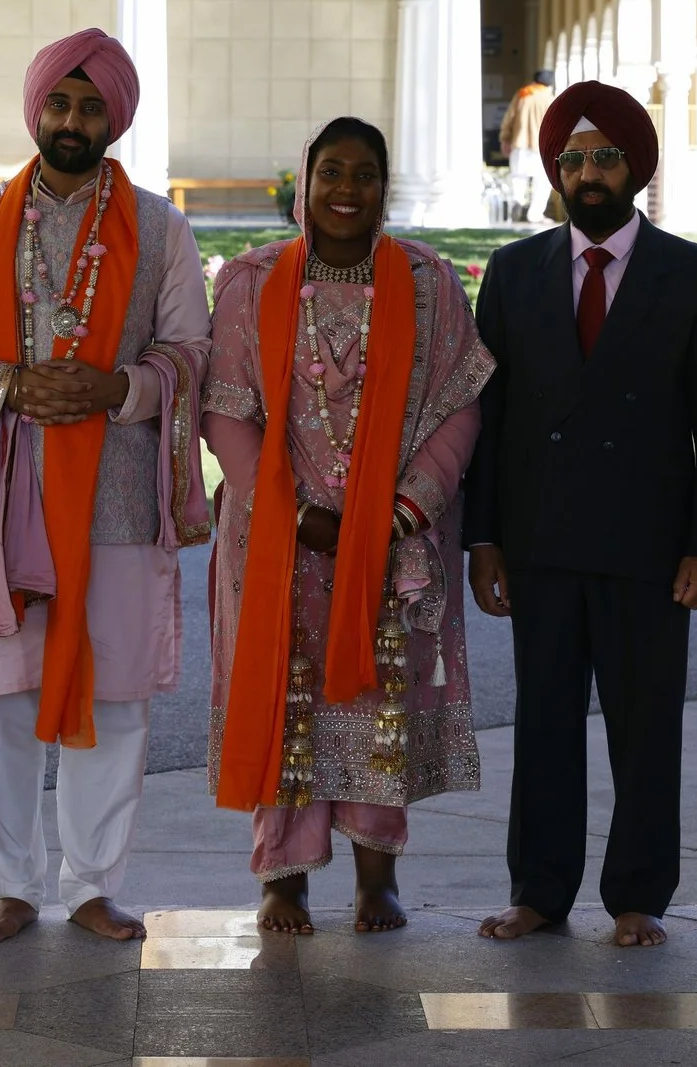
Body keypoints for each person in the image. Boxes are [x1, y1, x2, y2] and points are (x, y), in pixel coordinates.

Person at [0, 28, 212, 945]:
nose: (72, 121)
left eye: (91, 107)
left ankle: (93, 883)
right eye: (60, 102)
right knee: (2, 687)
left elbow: (190, 352)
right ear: (35, 108)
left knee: (115, 686)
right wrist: (8, 383)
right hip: (5, 485)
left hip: (118, 492)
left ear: (116, 118)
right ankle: (11, 883)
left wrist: (115, 388)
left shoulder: (163, 229)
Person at [464, 80, 697, 949]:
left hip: (650, 547)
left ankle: (638, 895)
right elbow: (489, 418)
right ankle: (539, 890)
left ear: (636, 168)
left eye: (605, 156)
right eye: (573, 158)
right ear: (556, 170)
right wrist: (484, 537)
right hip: (540, 542)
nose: (588, 172)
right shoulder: (512, 273)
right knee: (544, 724)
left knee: (644, 727)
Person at [207, 117, 491, 934]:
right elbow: (227, 411)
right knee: (284, 696)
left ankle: (377, 876)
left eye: (365, 173)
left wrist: (401, 510)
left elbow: (460, 406)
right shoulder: (253, 280)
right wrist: (293, 510)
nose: (346, 188)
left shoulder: (431, 283)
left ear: (384, 184)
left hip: (393, 538)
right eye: (330, 170)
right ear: (304, 180)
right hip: (278, 537)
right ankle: (284, 879)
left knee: (381, 696)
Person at [498, 70, 556, 222]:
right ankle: (535, 214)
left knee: (518, 176)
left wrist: (505, 138)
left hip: (519, 143)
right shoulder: (550, 99)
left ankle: (517, 201)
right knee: (542, 181)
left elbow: (509, 118)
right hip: (541, 146)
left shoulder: (523, 95)